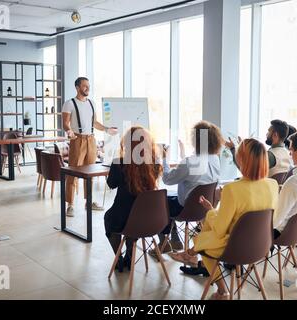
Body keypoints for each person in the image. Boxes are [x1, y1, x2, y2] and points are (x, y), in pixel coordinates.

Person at [171, 139, 278, 300]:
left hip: (233, 247)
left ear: (241, 160)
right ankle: (190, 254)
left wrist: (210, 210)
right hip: (261, 245)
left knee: (202, 242)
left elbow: (220, 230)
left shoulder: (232, 189)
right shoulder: (272, 184)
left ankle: (222, 291)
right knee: (205, 236)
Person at [154, 121, 224, 254]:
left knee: (161, 201)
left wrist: (163, 159)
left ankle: (164, 241)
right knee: (170, 198)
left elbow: (168, 179)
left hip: (186, 209)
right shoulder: (215, 159)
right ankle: (174, 238)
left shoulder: (190, 162)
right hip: (206, 209)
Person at [104, 126, 163, 272]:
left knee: (109, 218)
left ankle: (119, 258)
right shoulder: (154, 163)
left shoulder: (119, 163)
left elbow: (111, 184)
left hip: (123, 217)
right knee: (133, 218)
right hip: (149, 219)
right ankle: (130, 256)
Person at [62, 77, 118, 217]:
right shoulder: (69, 103)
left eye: (88, 86)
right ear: (77, 87)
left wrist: (107, 129)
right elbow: (65, 123)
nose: (87, 88)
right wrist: (68, 131)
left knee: (90, 174)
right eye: (84, 86)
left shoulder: (92, 103)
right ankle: (70, 205)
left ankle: (89, 202)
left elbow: (95, 123)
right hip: (77, 140)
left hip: (91, 141)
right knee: (73, 173)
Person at [226, 119, 291, 177]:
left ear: (275, 135)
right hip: (273, 189)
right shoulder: (288, 153)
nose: (266, 134)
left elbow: (248, 172)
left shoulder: (270, 156)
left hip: (263, 189)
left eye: (269, 131)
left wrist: (233, 149)